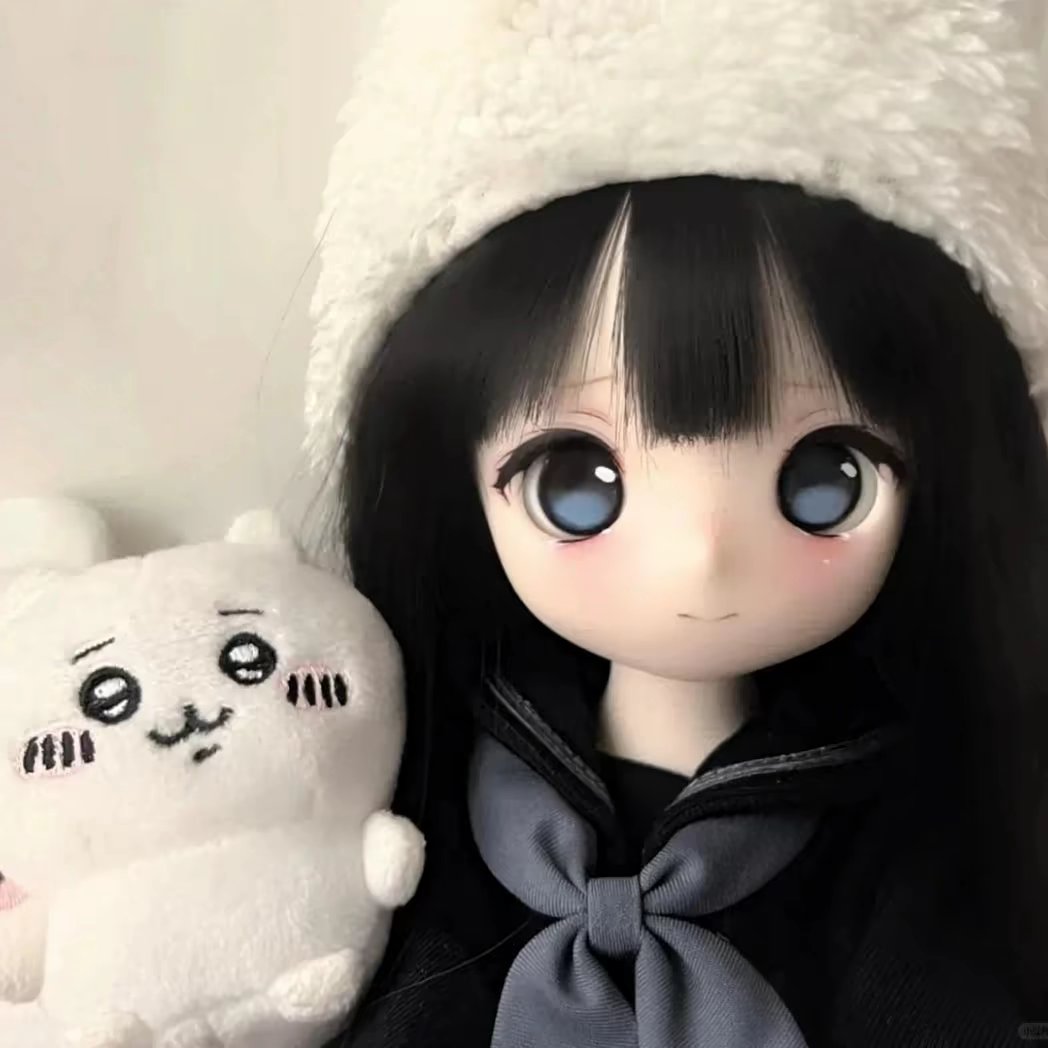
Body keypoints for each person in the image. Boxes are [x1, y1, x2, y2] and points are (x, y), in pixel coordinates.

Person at [304, 2, 1048, 1045]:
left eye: (824, 483)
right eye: (578, 483)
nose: (702, 556)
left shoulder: (889, 792)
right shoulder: (453, 771)